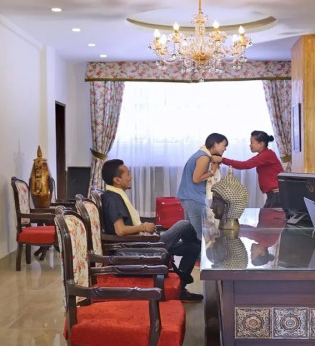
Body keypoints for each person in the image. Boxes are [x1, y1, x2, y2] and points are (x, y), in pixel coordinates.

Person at [100, 159, 203, 303]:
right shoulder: (113, 198)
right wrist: (143, 227)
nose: (131, 177)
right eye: (128, 174)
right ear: (116, 180)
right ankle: (201, 252)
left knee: (193, 248)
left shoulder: (116, 195)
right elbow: (120, 230)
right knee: (184, 225)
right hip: (137, 247)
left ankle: (181, 289)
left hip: (142, 242)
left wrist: (144, 229)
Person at [212, 130, 284, 208]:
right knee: (266, 214)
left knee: (269, 215)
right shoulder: (265, 154)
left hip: (276, 195)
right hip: (274, 194)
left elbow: (244, 165)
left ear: (261, 144)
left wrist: (222, 160)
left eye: (252, 143)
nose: (250, 145)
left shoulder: (266, 155)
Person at [177, 133, 228, 240]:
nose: (225, 148)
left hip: (189, 197)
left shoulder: (200, 154)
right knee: (201, 235)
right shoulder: (204, 157)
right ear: (215, 144)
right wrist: (212, 172)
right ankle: (201, 252)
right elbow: (196, 179)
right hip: (194, 198)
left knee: (190, 233)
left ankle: (191, 251)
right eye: (224, 145)